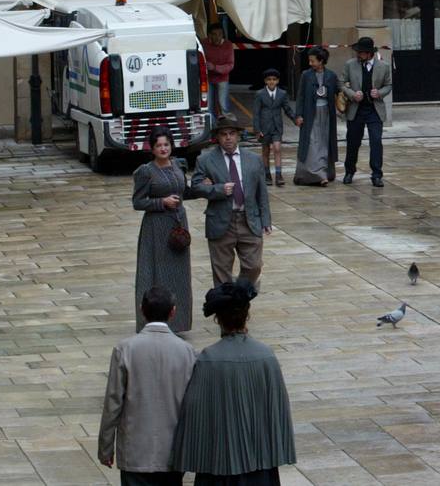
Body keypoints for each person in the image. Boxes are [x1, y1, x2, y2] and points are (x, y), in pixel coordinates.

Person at [170, 279, 295, 484]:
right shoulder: (266, 356)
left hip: (218, 468)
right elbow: (277, 412)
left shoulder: (208, 359)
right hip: (260, 467)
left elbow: (194, 414)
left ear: (218, 319)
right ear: (247, 315)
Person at [98, 286, 197, 486]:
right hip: (173, 451)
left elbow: (113, 402)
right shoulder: (187, 352)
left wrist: (106, 447)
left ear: (142, 309)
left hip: (135, 452)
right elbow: (194, 406)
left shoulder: (125, 349)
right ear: (173, 311)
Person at [133, 126, 207, 333]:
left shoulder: (178, 166)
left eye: (166, 144)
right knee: (156, 274)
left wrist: (206, 187)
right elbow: (138, 202)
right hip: (156, 228)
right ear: (152, 149)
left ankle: (179, 323)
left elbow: (184, 192)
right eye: (159, 146)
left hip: (178, 226)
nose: (163, 149)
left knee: (179, 275)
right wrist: (161, 202)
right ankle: (153, 322)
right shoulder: (146, 172)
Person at [191, 116, 271, 287]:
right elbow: (195, 187)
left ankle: (239, 295)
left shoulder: (253, 159)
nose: (228, 137)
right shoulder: (205, 160)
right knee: (222, 273)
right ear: (217, 138)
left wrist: (266, 220)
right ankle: (226, 308)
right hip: (220, 222)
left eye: (232, 133)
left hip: (248, 220)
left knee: (254, 266)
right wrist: (218, 189)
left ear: (238, 136)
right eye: (224, 134)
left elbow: (261, 192)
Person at [340, 36, 393, 187]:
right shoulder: (350, 64)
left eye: (361, 52)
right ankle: (349, 171)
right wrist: (352, 94)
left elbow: (388, 85)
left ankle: (376, 174)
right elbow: (342, 83)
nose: (358, 55)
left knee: (376, 141)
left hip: (374, 110)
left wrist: (380, 93)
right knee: (353, 142)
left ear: (369, 53)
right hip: (356, 109)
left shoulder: (383, 66)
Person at [294, 48, 339, 186]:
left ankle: (325, 172)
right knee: (312, 142)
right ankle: (317, 175)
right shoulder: (306, 75)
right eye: (310, 60)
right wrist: (299, 114)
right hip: (310, 113)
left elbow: (339, 91)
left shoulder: (331, 75)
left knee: (325, 142)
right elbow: (300, 96)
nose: (310, 63)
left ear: (321, 61)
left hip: (326, 114)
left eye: (313, 60)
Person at [251, 68, 296, 187]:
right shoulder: (260, 94)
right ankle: (267, 174)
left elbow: (287, 109)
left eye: (274, 79)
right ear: (265, 81)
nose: (271, 82)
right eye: (269, 79)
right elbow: (256, 113)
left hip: (276, 126)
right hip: (264, 127)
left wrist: (295, 118)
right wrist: (257, 129)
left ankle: (278, 174)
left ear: (277, 81)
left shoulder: (282, 94)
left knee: (277, 148)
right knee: (265, 151)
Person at [203, 23, 235, 116]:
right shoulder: (203, 43)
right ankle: (211, 126)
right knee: (208, 106)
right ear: (209, 35)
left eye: (220, 34)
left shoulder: (228, 45)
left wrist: (214, 67)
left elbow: (230, 65)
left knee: (223, 104)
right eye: (214, 34)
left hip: (222, 78)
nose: (217, 37)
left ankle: (226, 126)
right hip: (207, 78)